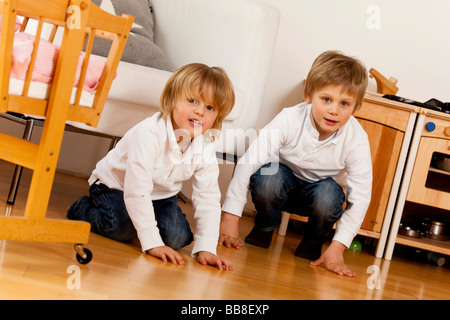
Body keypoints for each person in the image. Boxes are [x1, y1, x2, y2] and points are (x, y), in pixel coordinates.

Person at [68, 63, 235, 271]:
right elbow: (136, 189)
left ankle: (145, 220)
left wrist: (207, 247)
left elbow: (208, 196)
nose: (200, 111)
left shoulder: (205, 144)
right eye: (192, 101)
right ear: (172, 99)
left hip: (161, 195)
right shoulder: (148, 133)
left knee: (177, 237)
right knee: (122, 228)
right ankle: (82, 208)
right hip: (115, 187)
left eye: (210, 108)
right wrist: (152, 243)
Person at [219, 51, 372, 277]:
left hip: (320, 194)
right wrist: (230, 218)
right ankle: (264, 226)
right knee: (268, 176)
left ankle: (313, 240)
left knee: (329, 195)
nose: (334, 110)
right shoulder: (289, 118)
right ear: (308, 95)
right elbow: (249, 161)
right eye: (326, 99)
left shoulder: (356, 139)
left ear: (356, 108)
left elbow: (361, 197)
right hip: (281, 185)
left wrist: (338, 247)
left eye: (345, 103)